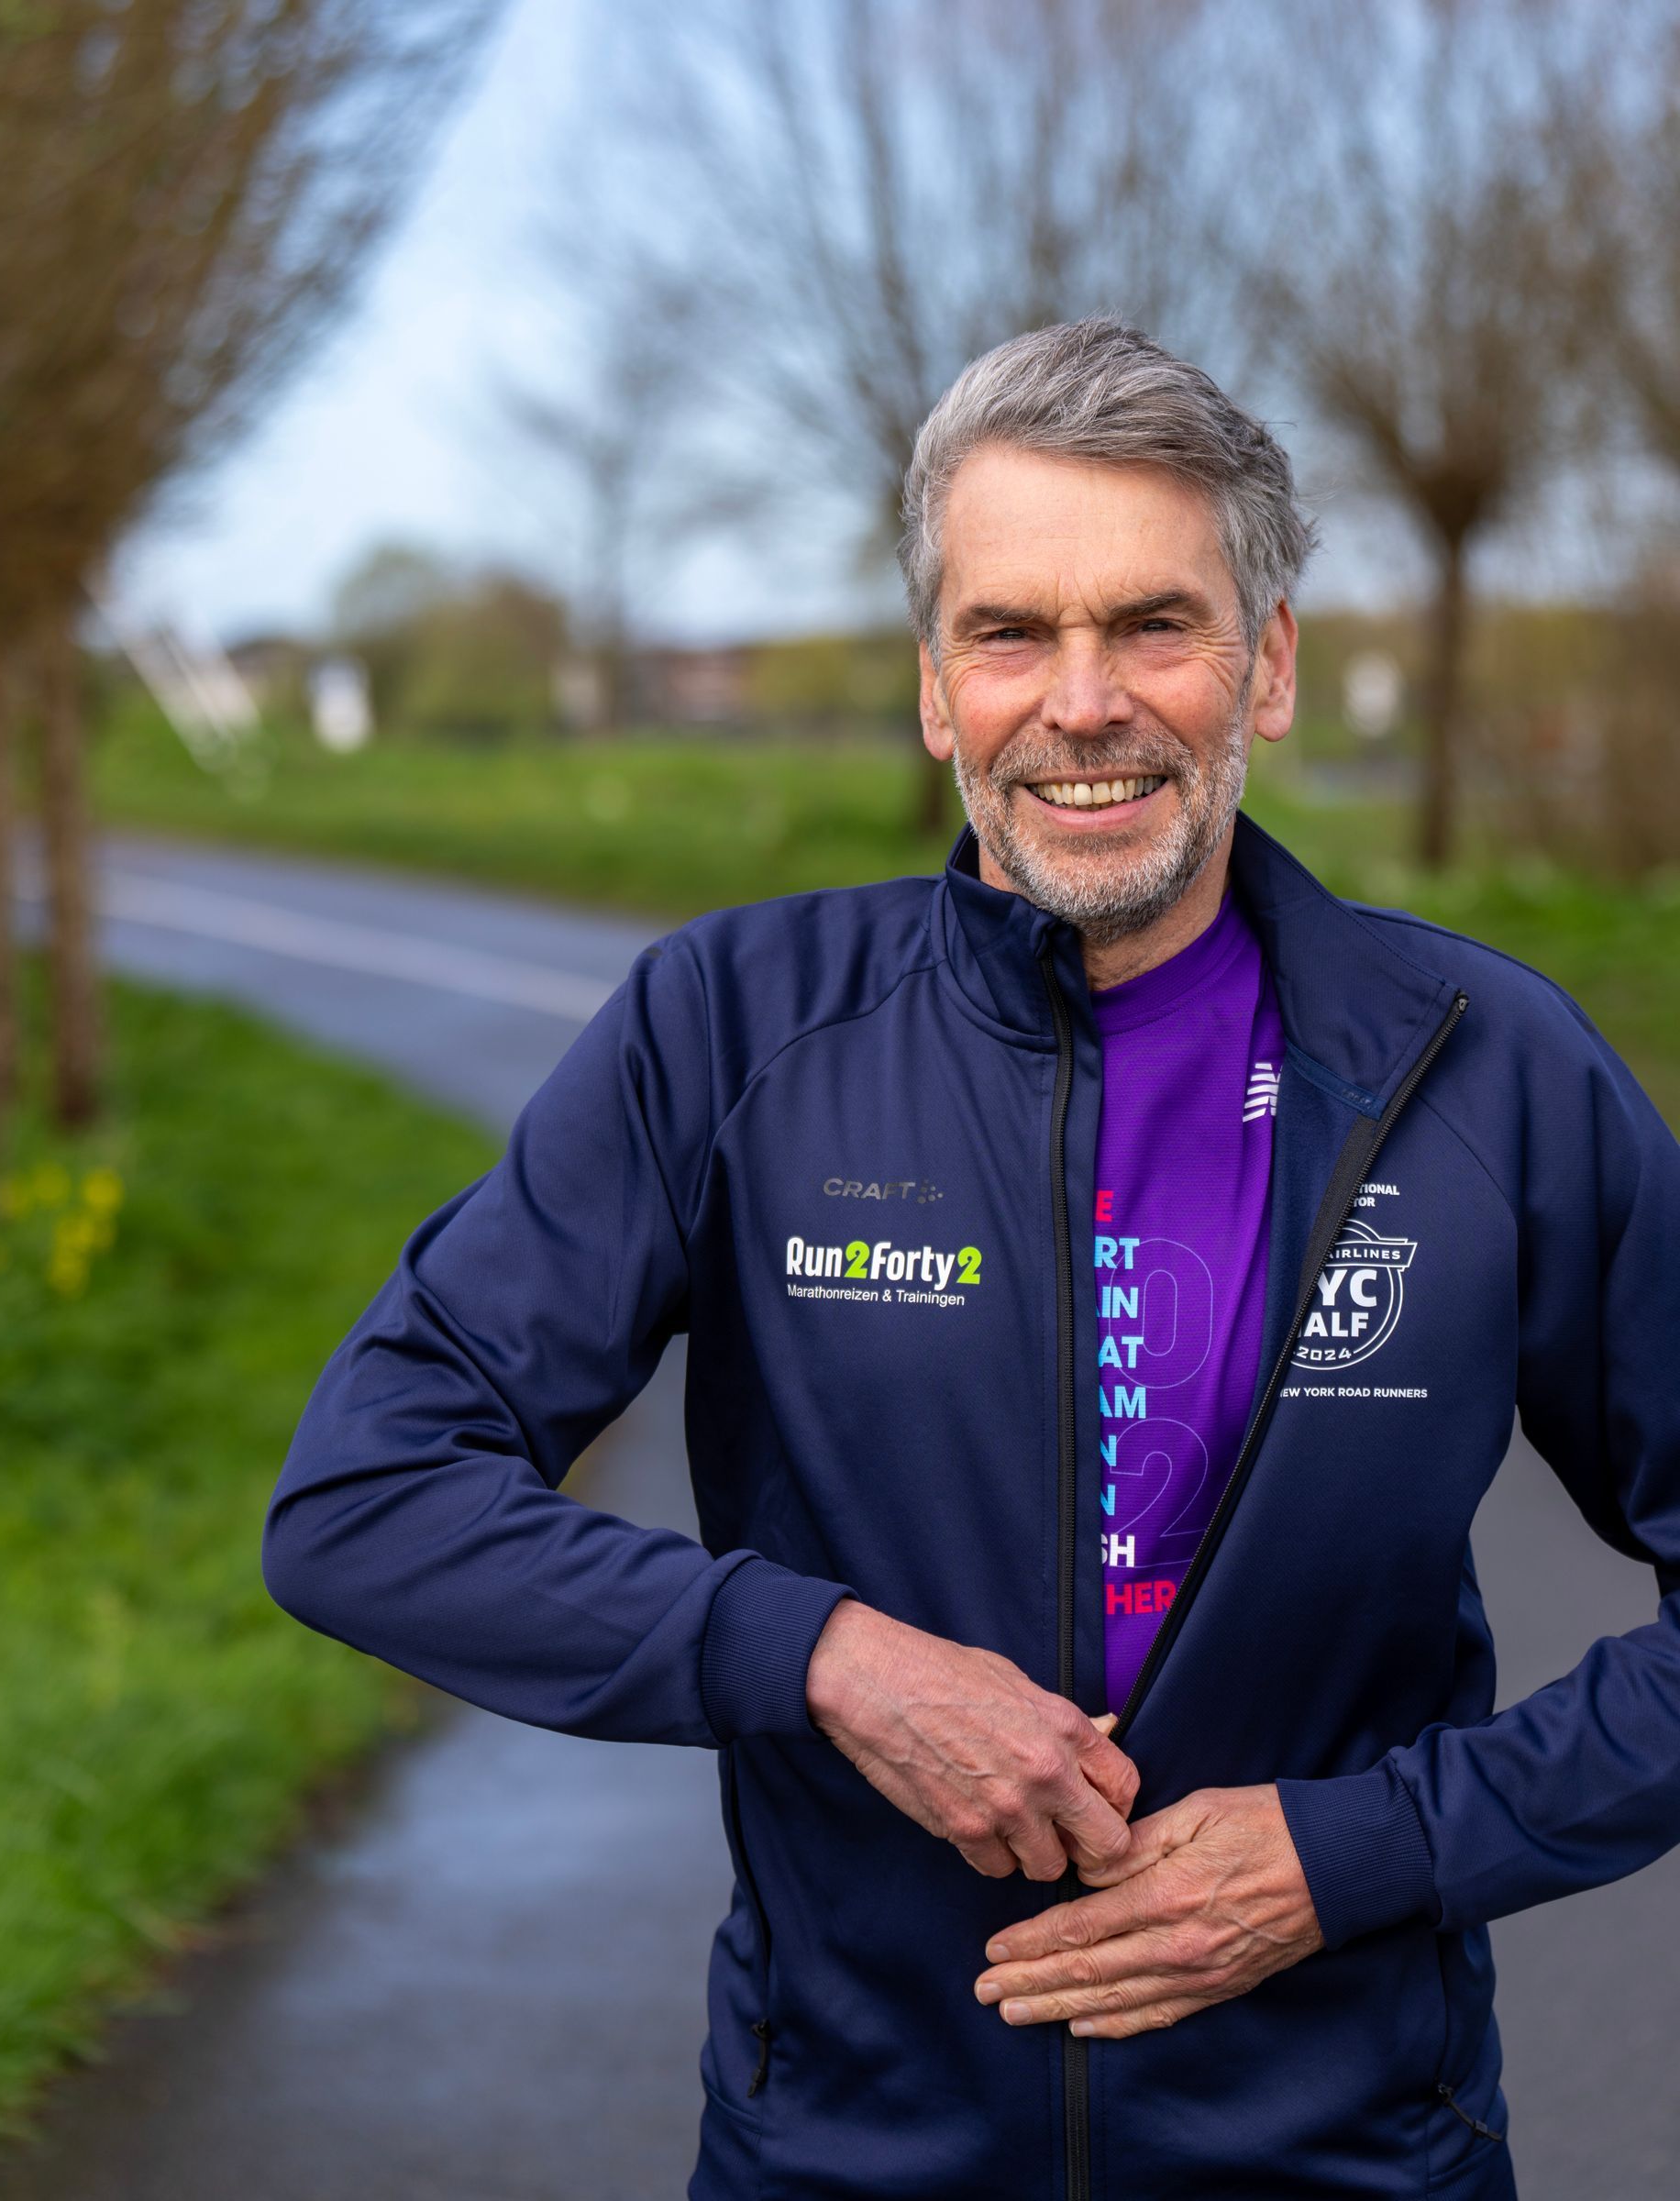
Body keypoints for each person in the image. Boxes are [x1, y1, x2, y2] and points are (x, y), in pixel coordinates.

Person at [261, 317, 1680, 2201]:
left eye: (1153, 626)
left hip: (1353, 2153)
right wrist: (826, 1657)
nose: (1081, 703)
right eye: (1011, 633)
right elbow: (367, 1500)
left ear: (1264, 663)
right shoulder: (729, 1030)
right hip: (846, 2147)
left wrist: (1374, 1852)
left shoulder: (1486, 1068)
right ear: (938, 687)